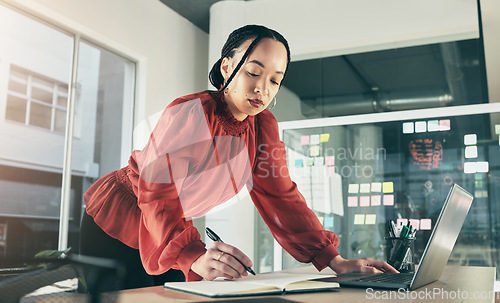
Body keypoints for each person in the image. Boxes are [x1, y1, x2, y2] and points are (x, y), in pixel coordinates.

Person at [80, 24, 397, 290]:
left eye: (275, 80)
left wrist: (333, 260)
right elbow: (156, 192)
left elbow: (282, 198)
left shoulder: (263, 128)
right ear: (227, 67)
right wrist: (192, 254)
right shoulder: (191, 114)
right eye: (254, 73)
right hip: (118, 218)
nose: (263, 88)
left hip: (167, 229)